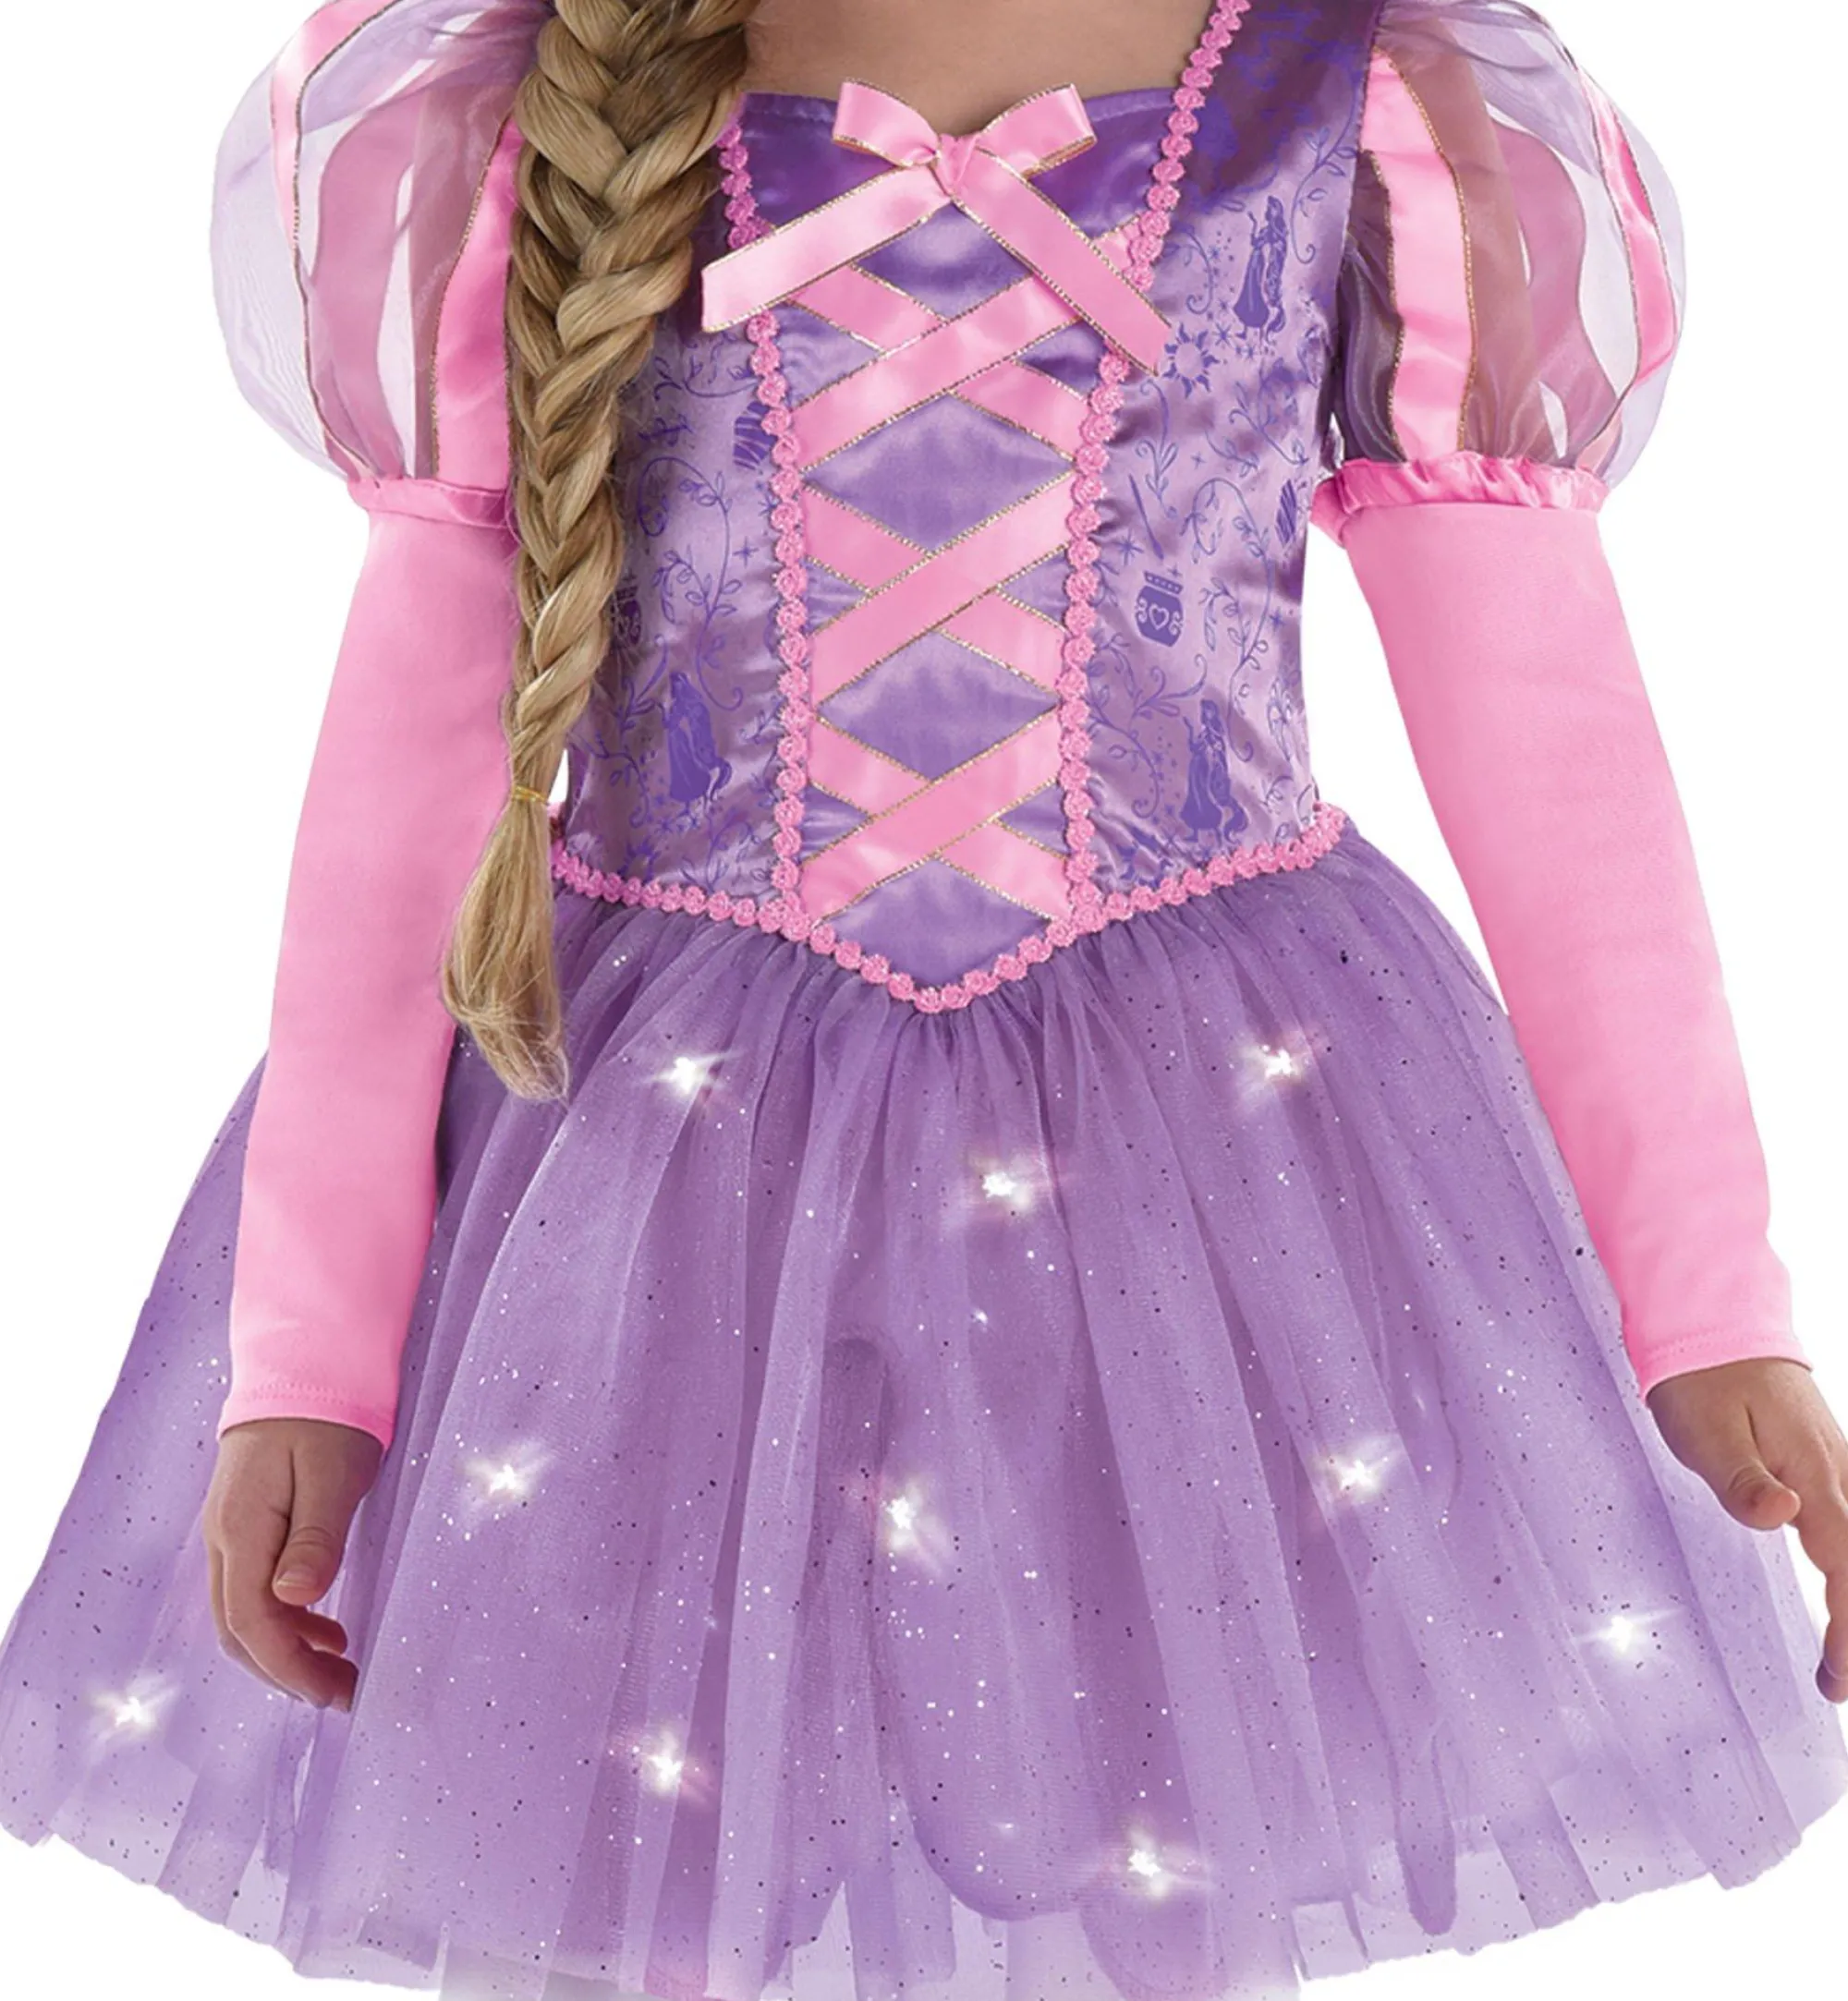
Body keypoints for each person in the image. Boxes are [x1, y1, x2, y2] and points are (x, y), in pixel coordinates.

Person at [2, 1, 1845, 1995]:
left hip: (1203, 1170)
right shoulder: (526, 106)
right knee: (683, 1847)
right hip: (667, 1184)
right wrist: (311, 1346)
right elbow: (407, 788)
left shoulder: (1364, 86)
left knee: (1149, 1810)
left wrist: (1708, 1306)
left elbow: (1551, 753)